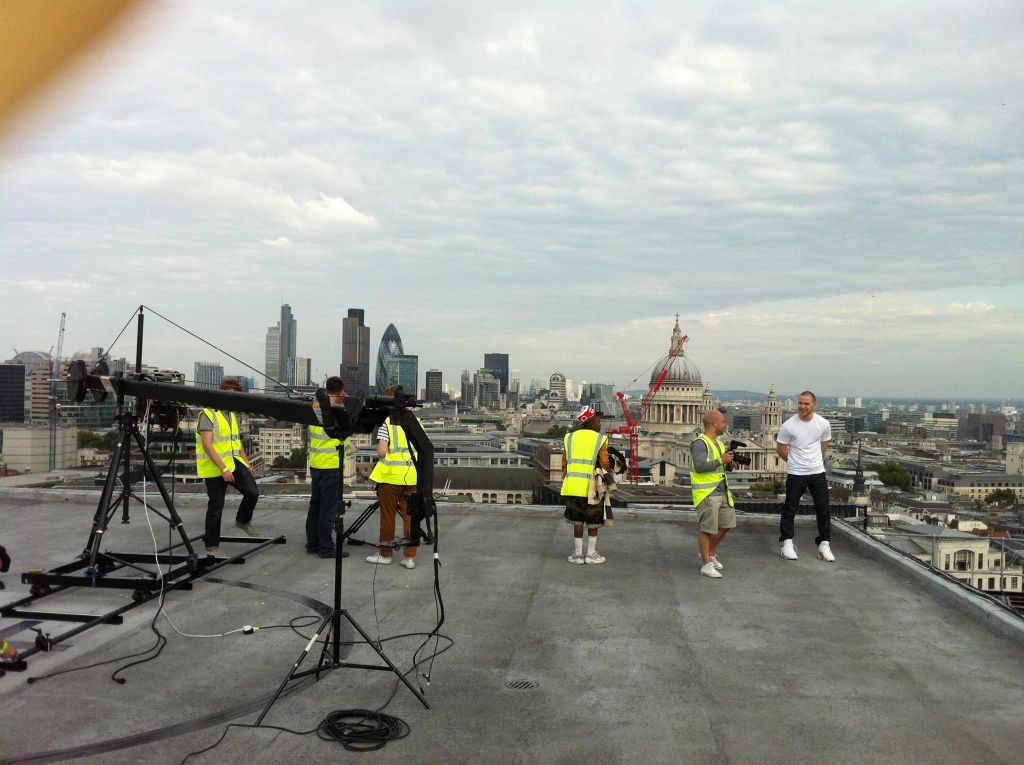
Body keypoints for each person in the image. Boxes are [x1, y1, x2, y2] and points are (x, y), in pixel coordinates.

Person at [195, 378, 260, 558]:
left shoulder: (231, 415)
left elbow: (237, 443)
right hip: (215, 467)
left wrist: (248, 465)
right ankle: (212, 547)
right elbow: (208, 445)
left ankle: (242, 521)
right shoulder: (207, 414)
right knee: (216, 507)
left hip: (233, 462)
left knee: (253, 492)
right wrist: (224, 469)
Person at [776, 390, 835, 562]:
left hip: (817, 472)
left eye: (806, 404)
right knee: (790, 508)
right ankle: (786, 542)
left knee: (823, 509)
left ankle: (824, 543)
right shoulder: (788, 425)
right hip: (796, 473)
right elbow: (780, 449)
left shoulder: (823, 424)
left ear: (814, 405)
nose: (802, 407)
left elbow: (824, 444)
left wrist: (812, 460)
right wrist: (795, 462)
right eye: (800, 403)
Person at [366, 385, 419, 569]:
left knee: (388, 517)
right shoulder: (414, 420)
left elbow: (382, 451)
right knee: (410, 517)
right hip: (411, 477)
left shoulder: (387, 423)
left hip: (390, 478)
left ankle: (386, 554)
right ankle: (410, 557)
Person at [561, 405, 612, 565]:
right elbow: (605, 464)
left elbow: (565, 463)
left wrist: (567, 479)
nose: (600, 424)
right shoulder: (600, 439)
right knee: (593, 520)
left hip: (573, 486)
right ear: (590, 422)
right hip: (592, 488)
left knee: (577, 521)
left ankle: (577, 555)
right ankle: (590, 554)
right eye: (597, 421)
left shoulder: (569, 437)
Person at [306, 376, 350, 559]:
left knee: (315, 506)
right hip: (331, 465)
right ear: (340, 392)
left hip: (316, 464)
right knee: (328, 509)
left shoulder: (314, 408)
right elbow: (346, 429)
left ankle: (313, 544)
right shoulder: (338, 411)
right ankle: (326, 547)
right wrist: (344, 403)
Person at [691, 409, 736, 578]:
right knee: (707, 529)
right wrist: (720, 461)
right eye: (723, 421)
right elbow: (700, 467)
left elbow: (719, 466)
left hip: (722, 490)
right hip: (707, 492)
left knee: (726, 525)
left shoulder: (718, 443)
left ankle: (709, 553)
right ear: (714, 423)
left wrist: (728, 464)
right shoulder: (700, 443)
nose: (726, 425)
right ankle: (706, 564)